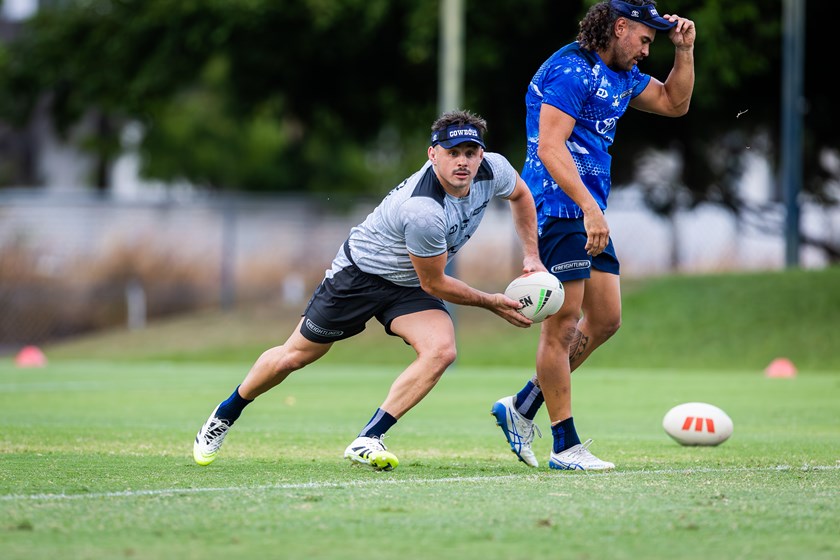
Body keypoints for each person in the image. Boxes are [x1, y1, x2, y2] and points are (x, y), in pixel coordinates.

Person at [193, 109, 545, 471]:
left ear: (481, 155)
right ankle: (226, 412)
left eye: (470, 153)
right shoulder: (423, 210)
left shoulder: (495, 169)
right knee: (294, 356)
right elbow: (436, 283)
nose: (463, 162)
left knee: (441, 351)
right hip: (360, 276)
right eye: (452, 152)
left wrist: (531, 256)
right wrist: (492, 303)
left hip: (408, 284)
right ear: (432, 154)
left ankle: (369, 437)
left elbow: (521, 195)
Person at [491, 0, 696, 471]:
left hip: (587, 210)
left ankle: (522, 406)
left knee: (605, 318)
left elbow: (674, 103)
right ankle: (565, 446)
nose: (647, 50)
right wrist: (587, 208)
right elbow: (548, 145)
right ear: (620, 28)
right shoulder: (571, 69)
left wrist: (682, 52)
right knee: (562, 325)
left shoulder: (622, 74)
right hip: (558, 204)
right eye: (645, 40)